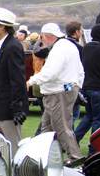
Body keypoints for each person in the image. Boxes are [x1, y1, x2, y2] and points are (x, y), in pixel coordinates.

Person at [26, 23, 84, 164]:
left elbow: (50, 73)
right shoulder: (69, 46)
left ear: (49, 36)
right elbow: (80, 70)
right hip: (64, 90)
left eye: (42, 37)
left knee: (62, 126)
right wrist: (77, 85)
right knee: (46, 128)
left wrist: (30, 81)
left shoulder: (58, 50)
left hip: (58, 93)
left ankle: (75, 157)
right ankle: (42, 157)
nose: (41, 40)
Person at [0, 8, 27, 153]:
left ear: (2, 27)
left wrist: (17, 106)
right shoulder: (4, 45)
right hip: (3, 105)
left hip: (10, 107)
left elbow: (17, 78)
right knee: (3, 144)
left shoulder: (13, 46)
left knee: (11, 145)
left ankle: (15, 174)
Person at [74, 23, 100, 149]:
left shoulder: (85, 47)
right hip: (98, 87)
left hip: (85, 86)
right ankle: (94, 148)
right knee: (98, 120)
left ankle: (74, 140)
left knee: (89, 116)